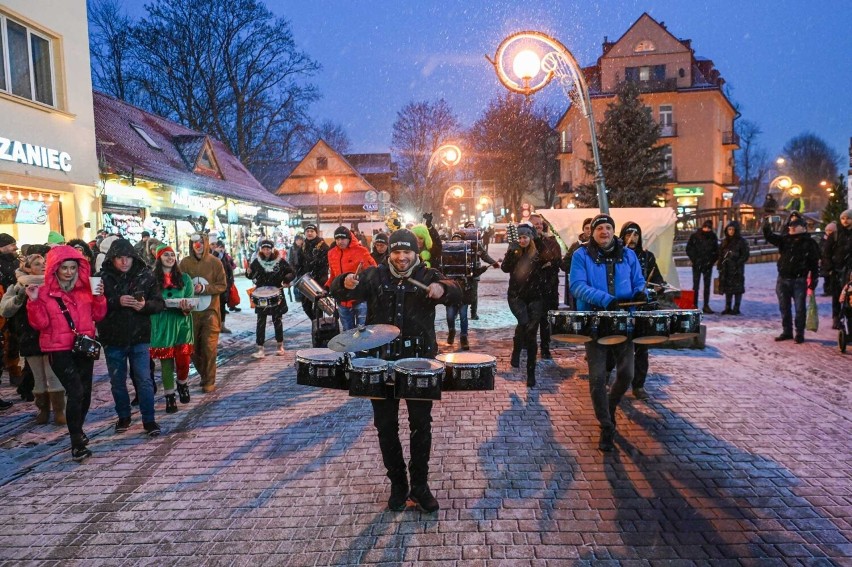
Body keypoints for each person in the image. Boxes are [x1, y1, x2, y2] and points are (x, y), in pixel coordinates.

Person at [330, 229, 461, 512]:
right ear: (389, 253)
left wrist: (444, 289)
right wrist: (346, 281)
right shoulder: (375, 275)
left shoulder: (427, 275)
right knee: (386, 427)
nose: (401, 258)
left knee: (420, 425)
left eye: (407, 252)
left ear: (415, 253)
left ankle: (420, 486)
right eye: (396, 252)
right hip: (381, 361)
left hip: (419, 362)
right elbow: (337, 290)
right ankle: (398, 484)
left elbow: (456, 290)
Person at [570, 214, 646, 452]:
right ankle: (606, 426)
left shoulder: (629, 255)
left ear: (614, 231)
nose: (604, 231)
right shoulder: (581, 255)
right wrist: (605, 300)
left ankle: (610, 406)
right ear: (591, 232)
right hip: (595, 322)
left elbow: (639, 281)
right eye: (599, 228)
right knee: (597, 379)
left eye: (608, 227)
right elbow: (577, 286)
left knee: (626, 374)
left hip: (624, 322)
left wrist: (641, 293)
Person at [26, 245, 107, 461]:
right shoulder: (44, 292)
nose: (69, 272)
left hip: (84, 347)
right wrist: (33, 302)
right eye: (64, 268)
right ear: (55, 268)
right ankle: (76, 441)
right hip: (58, 348)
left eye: (73, 267)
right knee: (76, 391)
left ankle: (78, 429)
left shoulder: (85, 290)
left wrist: (99, 296)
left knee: (86, 393)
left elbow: (99, 315)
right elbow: (40, 324)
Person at [98, 238, 165, 436]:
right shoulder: (102, 277)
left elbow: (159, 303)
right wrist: (115, 301)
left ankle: (149, 419)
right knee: (117, 381)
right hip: (113, 338)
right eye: (120, 258)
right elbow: (94, 306)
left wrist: (145, 306)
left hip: (140, 337)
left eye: (127, 257)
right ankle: (124, 416)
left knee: (144, 379)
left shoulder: (145, 275)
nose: (124, 262)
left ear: (134, 258)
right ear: (112, 258)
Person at [0, 253, 66, 424]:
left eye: (44, 263)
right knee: (39, 378)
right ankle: (43, 410)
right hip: (29, 336)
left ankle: (60, 410)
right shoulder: (18, 286)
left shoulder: (54, 282)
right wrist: (20, 296)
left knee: (54, 376)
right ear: (27, 268)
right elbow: (5, 310)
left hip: (51, 336)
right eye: (37, 264)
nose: (43, 266)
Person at [619, 221, 667, 401]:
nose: (632, 238)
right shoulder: (619, 256)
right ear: (622, 236)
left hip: (642, 309)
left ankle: (638, 385)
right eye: (628, 234)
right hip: (623, 307)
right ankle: (615, 381)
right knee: (618, 346)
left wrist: (658, 287)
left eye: (636, 234)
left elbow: (658, 280)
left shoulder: (647, 257)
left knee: (641, 348)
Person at [501, 223, 549, 387]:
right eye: (520, 237)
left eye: (525, 237)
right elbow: (504, 268)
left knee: (531, 332)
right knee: (523, 322)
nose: (522, 240)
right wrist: (510, 251)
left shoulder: (537, 253)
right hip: (516, 296)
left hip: (535, 297)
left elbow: (548, 259)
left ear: (530, 238)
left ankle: (531, 372)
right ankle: (516, 350)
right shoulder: (514, 252)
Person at [179, 233, 227, 393]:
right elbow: (179, 285)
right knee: (192, 348)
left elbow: (222, 285)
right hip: (192, 313)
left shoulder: (215, 263)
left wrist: (205, 289)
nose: (197, 245)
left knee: (209, 346)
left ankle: (209, 380)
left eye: (200, 242)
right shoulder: (184, 263)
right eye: (194, 242)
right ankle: (204, 374)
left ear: (205, 243)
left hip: (210, 312)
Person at [149, 245, 195, 412]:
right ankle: (169, 396)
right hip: (161, 323)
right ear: (159, 257)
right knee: (166, 362)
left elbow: (190, 300)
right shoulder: (152, 279)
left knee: (183, 360)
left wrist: (186, 306)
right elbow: (149, 301)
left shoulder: (185, 278)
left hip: (181, 322)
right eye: (166, 255)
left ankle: (182, 383)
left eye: (172, 255)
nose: (170, 258)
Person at [762, 217, 820, 343]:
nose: (792, 227)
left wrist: (814, 279)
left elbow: (814, 263)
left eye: (796, 225)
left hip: (799, 279)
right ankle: (787, 331)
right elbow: (769, 236)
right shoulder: (785, 240)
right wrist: (766, 224)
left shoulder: (809, 243)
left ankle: (799, 333)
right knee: (784, 307)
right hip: (783, 278)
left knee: (800, 308)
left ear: (803, 227)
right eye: (790, 225)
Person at [249, 239, 295, 358]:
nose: (266, 251)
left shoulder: (279, 261)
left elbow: (291, 272)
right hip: (261, 295)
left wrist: (286, 279)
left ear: (272, 249)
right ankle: (260, 349)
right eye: (264, 249)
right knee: (260, 321)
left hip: (276, 293)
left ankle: (280, 346)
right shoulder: (257, 261)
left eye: (268, 249)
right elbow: (250, 274)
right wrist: (248, 273)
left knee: (277, 320)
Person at [325, 226, 376, 331]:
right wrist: (327, 287)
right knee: (347, 332)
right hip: (342, 300)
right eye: (337, 239)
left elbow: (373, 271)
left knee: (363, 332)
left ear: (349, 238)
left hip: (359, 299)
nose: (340, 241)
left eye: (343, 239)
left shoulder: (361, 251)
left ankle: (362, 348)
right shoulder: (332, 253)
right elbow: (334, 275)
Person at [529, 213, 563, 360]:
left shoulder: (551, 242)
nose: (538, 226)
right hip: (531, 288)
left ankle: (545, 347)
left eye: (540, 224)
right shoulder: (524, 243)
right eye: (535, 224)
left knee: (545, 320)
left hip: (549, 287)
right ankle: (528, 344)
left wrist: (546, 264)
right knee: (532, 320)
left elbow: (554, 261)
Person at [0, 232, 23, 388]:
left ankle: (15, 371)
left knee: (14, 341)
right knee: (4, 343)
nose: (15, 247)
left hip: (16, 306)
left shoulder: (16, 262)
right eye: (12, 244)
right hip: (4, 306)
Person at [822, 209, 852, 329]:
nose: (845, 221)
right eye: (843, 218)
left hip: (850, 270)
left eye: (848, 218)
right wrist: (830, 268)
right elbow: (827, 252)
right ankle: (837, 318)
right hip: (837, 270)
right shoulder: (836, 234)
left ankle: (848, 318)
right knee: (837, 295)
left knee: (849, 296)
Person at [717, 221, 750, 315]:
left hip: (737, 268)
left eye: (732, 229)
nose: (731, 231)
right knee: (727, 289)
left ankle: (736, 308)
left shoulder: (741, 241)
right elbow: (720, 254)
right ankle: (727, 307)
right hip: (726, 268)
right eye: (729, 229)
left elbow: (745, 254)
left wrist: (738, 263)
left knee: (737, 289)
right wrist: (720, 264)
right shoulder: (724, 241)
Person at [686, 220, 719, 314]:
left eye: (709, 228)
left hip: (707, 265)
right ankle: (694, 304)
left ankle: (705, 305)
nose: (707, 229)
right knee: (696, 286)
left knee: (706, 286)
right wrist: (695, 259)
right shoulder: (695, 236)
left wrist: (711, 261)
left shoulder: (712, 237)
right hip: (697, 264)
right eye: (706, 227)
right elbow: (689, 249)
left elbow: (716, 251)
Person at [297, 224, 329, 320]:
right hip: (306, 280)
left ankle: (317, 328)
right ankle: (315, 322)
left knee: (318, 307)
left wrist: (317, 266)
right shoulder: (303, 246)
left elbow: (326, 263)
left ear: (316, 233)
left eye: (312, 231)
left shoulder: (323, 245)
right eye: (307, 231)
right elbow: (299, 263)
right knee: (306, 306)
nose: (309, 233)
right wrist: (299, 274)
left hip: (319, 280)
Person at [561, 217, 592, 308]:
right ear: (583, 229)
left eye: (591, 228)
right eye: (587, 228)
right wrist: (576, 270)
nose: (589, 231)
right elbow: (564, 264)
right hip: (579, 285)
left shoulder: (599, 246)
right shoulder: (576, 246)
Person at [212, 240, 236, 333]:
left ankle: (222, 325)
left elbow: (229, 268)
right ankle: (214, 326)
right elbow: (211, 265)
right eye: (213, 244)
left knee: (222, 306)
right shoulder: (211, 256)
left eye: (221, 246)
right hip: (214, 286)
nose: (219, 248)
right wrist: (215, 253)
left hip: (224, 285)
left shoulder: (225, 256)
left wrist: (230, 282)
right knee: (214, 307)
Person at [819, 222, 837, 297]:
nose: (828, 232)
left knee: (833, 278)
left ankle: (833, 290)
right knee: (827, 278)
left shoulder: (836, 239)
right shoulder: (823, 239)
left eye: (830, 230)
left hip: (833, 261)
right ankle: (827, 290)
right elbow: (820, 249)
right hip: (825, 262)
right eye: (827, 230)